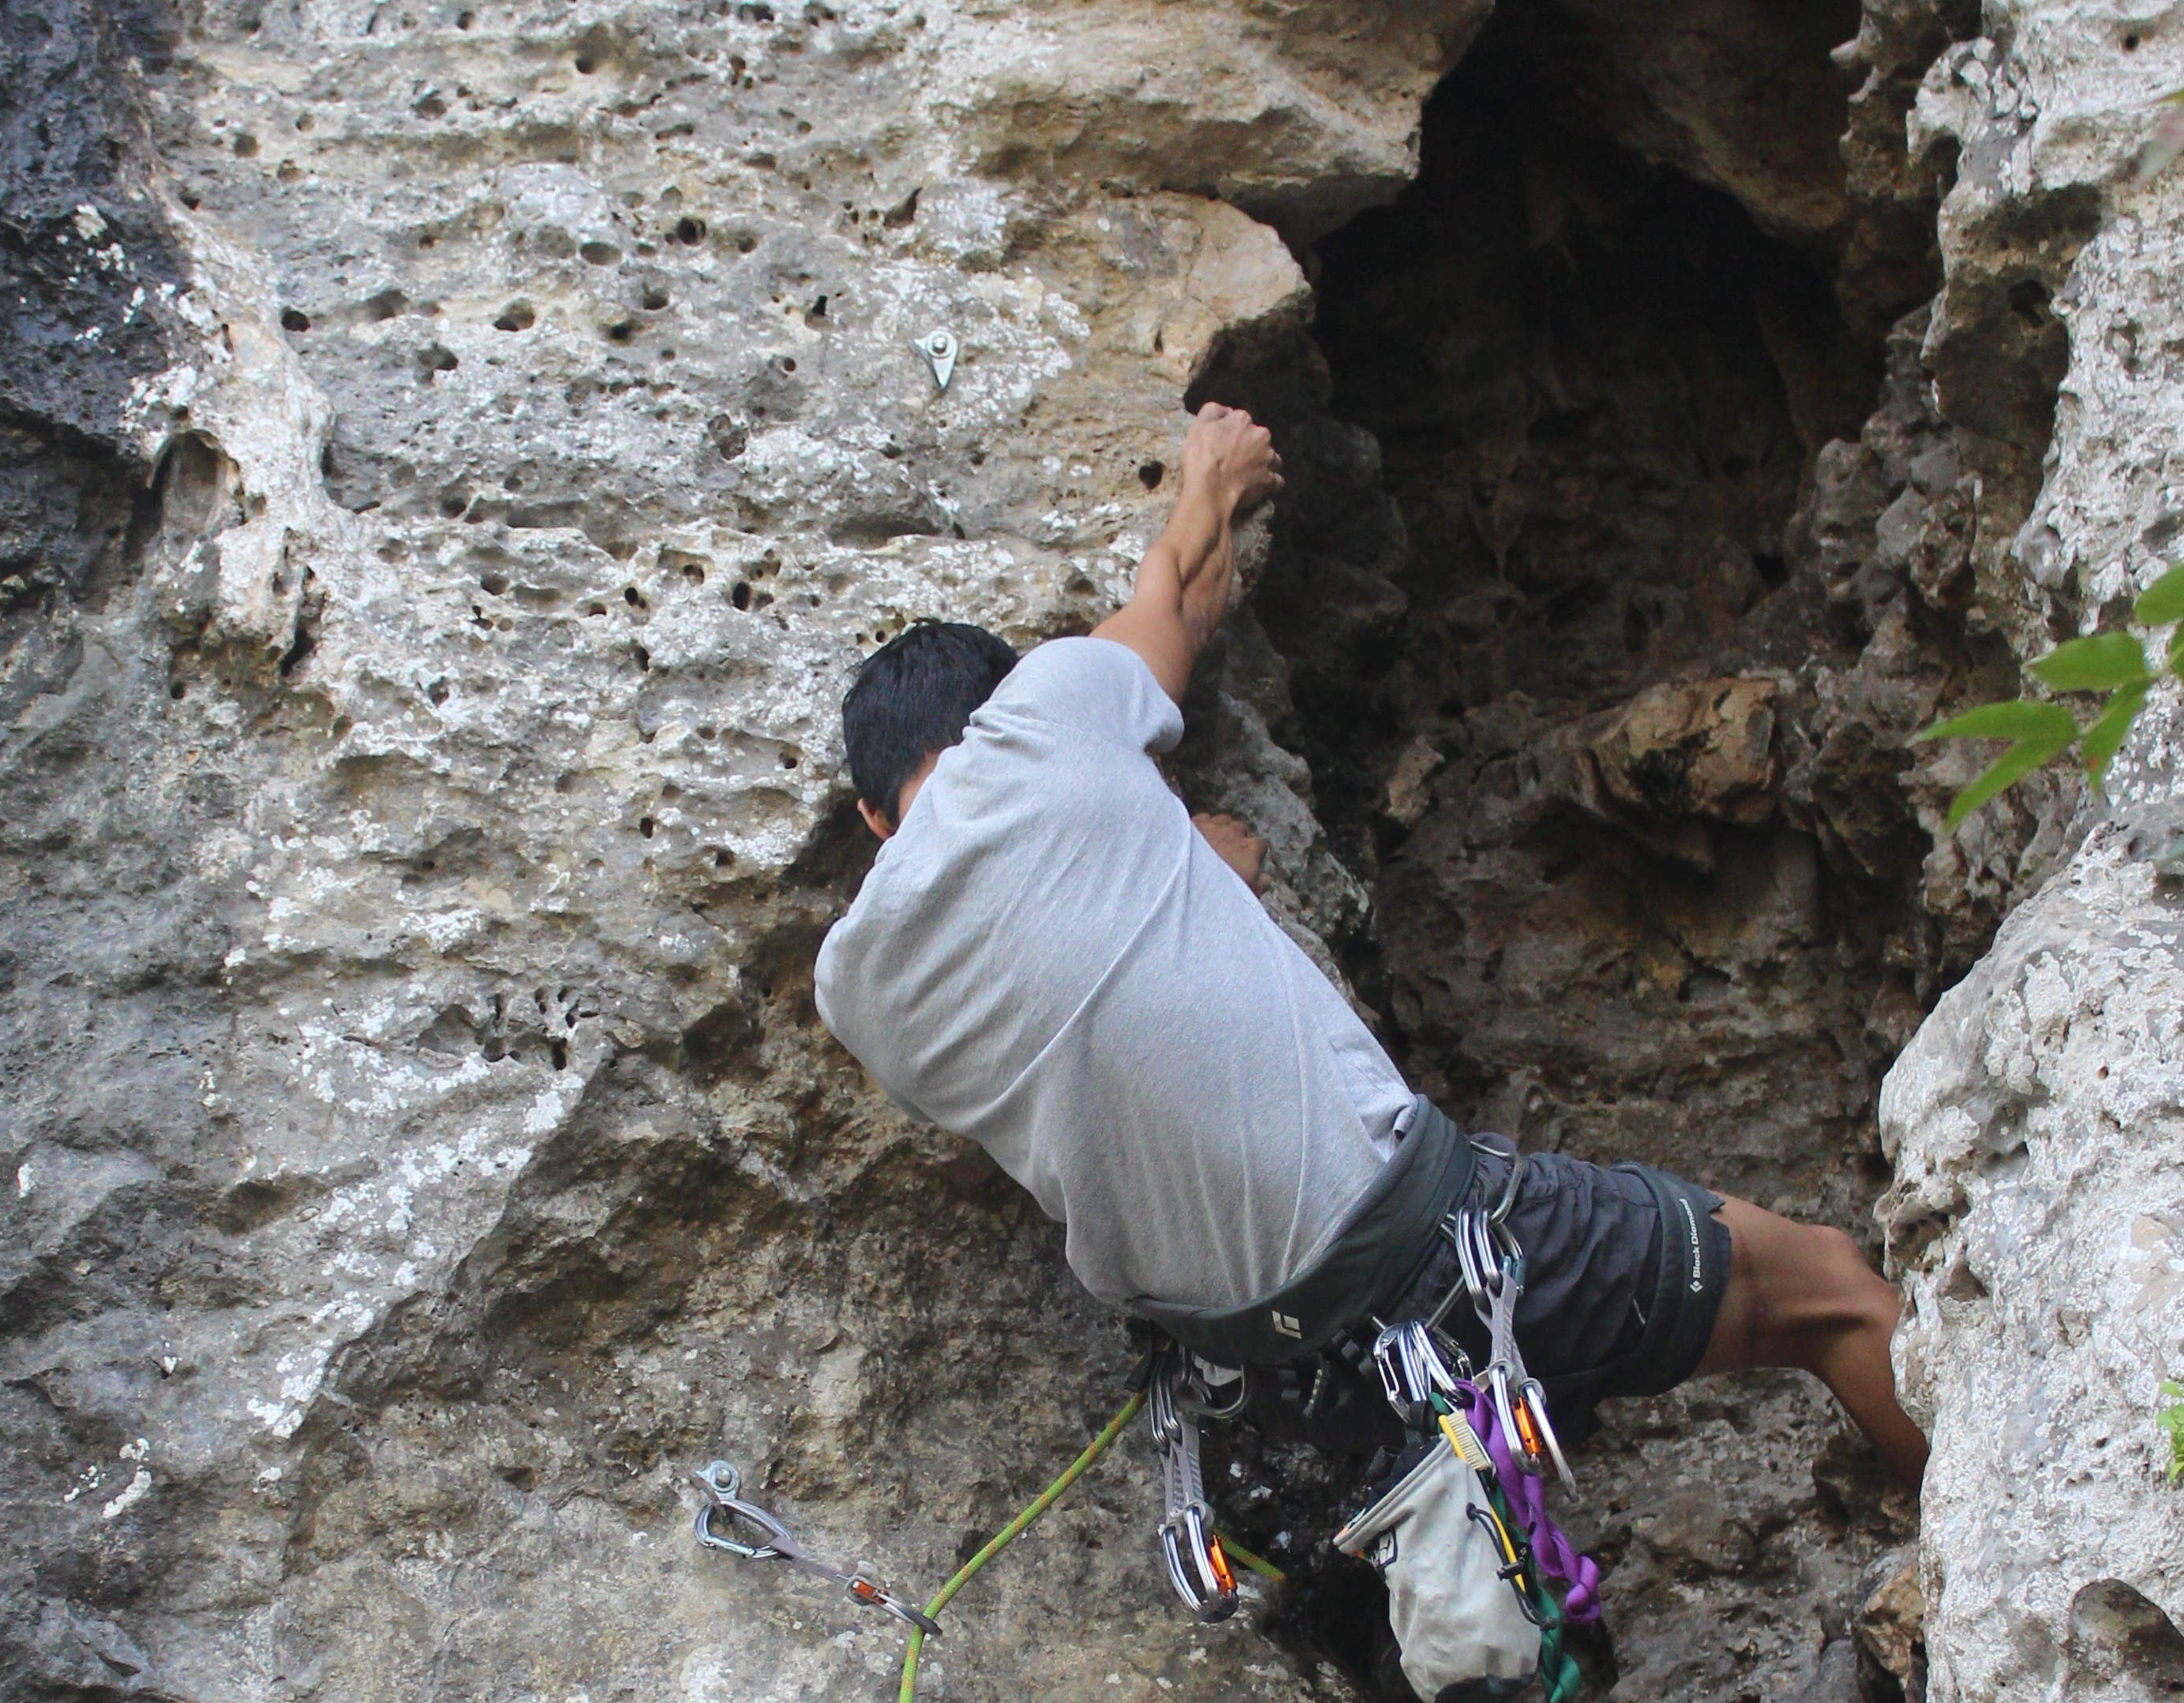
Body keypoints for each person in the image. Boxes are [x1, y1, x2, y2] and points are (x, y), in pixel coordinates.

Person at [812, 404, 1925, 1492]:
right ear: (996, 712)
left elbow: (1071, 1013)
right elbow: (1183, 597)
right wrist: (1213, 472)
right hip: (1430, 1254)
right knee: (1829, 1292)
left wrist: (1197, 876)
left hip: (1286, 1385)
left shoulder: (854, 991)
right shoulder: (1043, 715)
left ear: (873, 821)